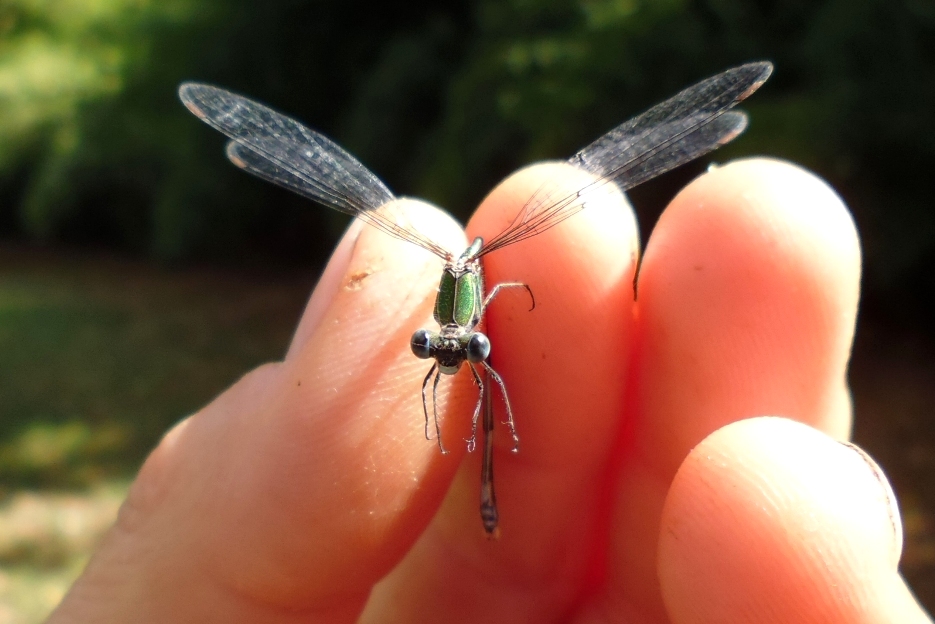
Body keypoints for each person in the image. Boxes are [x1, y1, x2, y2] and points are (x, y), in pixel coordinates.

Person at [47, 158, 932, 623]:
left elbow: (492, 329)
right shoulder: (439, 317)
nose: (444, 346)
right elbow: (436, 350)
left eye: (449, 338)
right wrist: (433, 358)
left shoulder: (492, 297)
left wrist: (479, 344)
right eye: (443, 338)